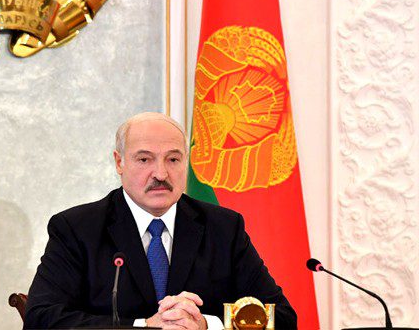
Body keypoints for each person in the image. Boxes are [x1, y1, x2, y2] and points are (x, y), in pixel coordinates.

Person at [24, 112, 296, 329]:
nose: (161, 174)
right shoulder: (77, 228)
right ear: (119, 163)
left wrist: (206, 324)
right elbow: (41, 319)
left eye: (173, 159)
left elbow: (281, 317)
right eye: (144, 159)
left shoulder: (223, 227)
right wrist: (145, 326)